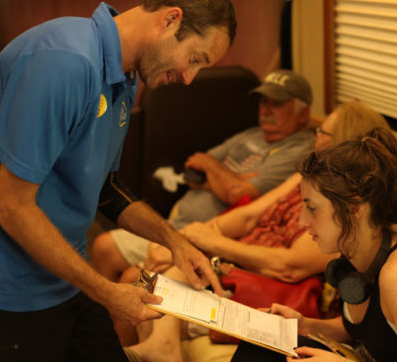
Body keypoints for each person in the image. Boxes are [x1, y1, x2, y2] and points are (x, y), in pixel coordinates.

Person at [0, 0, 235, 362]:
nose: (189, 78)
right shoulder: (65, 62)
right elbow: (10, 206)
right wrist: (105, 290)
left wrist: (175, 242)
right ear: (171, 21)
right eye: (195, 59)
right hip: (10, 291)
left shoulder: (125, 78)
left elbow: (105, 188)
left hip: (66, 274)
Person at [119, 102, 393, 362]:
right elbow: (250, 215)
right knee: (144, 281)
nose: (315, 137)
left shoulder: (349, 221)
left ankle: (159, 353)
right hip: (242, 268)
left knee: (149, 293)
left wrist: (212, 245)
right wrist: (182, 242)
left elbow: (291, 266)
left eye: (323, 133)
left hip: (260, 281)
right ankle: (157, 355)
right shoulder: (309, 178)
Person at [218, 127, 397, 362]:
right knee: (260, 349)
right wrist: (305, 325)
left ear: (354, 207)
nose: (303, 222)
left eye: (312, 208)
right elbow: (370, 328)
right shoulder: (354, 253)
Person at [93, 68, 315, 282]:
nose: (266, 110)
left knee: (128, 273)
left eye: (276, 104)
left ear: (303, 113)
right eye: (264, 101)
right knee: (104, 249)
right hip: (179, 223)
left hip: (213, 236)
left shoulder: (299, 150)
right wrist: (227, 178)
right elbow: (194, 169)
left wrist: (220, 175)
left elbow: (238, 194)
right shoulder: (252, 135)